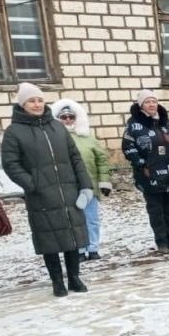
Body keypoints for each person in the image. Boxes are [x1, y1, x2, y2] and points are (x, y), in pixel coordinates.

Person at [2, 83, 93, 297]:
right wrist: (32, 184)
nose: (37, 104)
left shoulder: (58, 126)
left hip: (68, 191)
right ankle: (57, 281)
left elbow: (75, 158)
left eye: (39, 100)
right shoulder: (14, 131)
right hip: (41, 195)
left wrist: (85, 185)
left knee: (72, 236)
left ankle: (74, 277)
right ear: (22, 104)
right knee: (49, 239)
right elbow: (10, 163)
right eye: (31, 101)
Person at [122, 90, 169, 254]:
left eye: (154, 101)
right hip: (149, 175)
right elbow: (128, 147)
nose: (152, 105)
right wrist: (140, 163)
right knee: (156, 210)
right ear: (141, 105)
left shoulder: (166, 123)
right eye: (147, 102)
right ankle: (162, 242)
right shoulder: (134, 125)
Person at [51, 98, 112, 261]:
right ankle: (79, 249)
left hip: (89, 186)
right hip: (68, 188)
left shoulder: (88, 138)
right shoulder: (53, 140)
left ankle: (93, 248)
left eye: (71, 116)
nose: (68, 120)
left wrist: (104, 181)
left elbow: (102, 160)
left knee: (91, 219)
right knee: (73, 220)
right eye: (64, 117)